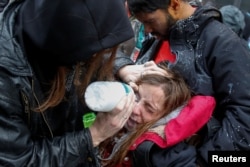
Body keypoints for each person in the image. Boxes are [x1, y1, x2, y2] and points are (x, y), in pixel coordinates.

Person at [114, 0, 250, 166]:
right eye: (142, 23)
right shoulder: (160, 37)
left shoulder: (223, 43)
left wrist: (203, 162)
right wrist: (123, 67)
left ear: (175, 5)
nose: (147, 30)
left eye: (150, 21)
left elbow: (244, 115)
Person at [0, 0, 136, 166]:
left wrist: (122, 66)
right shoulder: (5, 78)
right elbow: (19, 161)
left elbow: (96, 38)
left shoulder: (49, 23)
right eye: (91, 54)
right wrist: (93, 135)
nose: (95, 57)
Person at [98, 66, 215, 167]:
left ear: (167, 118)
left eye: (149, 109)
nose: (134, 109)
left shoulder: (171, 157)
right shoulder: (109, 118)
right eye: (136, 97)